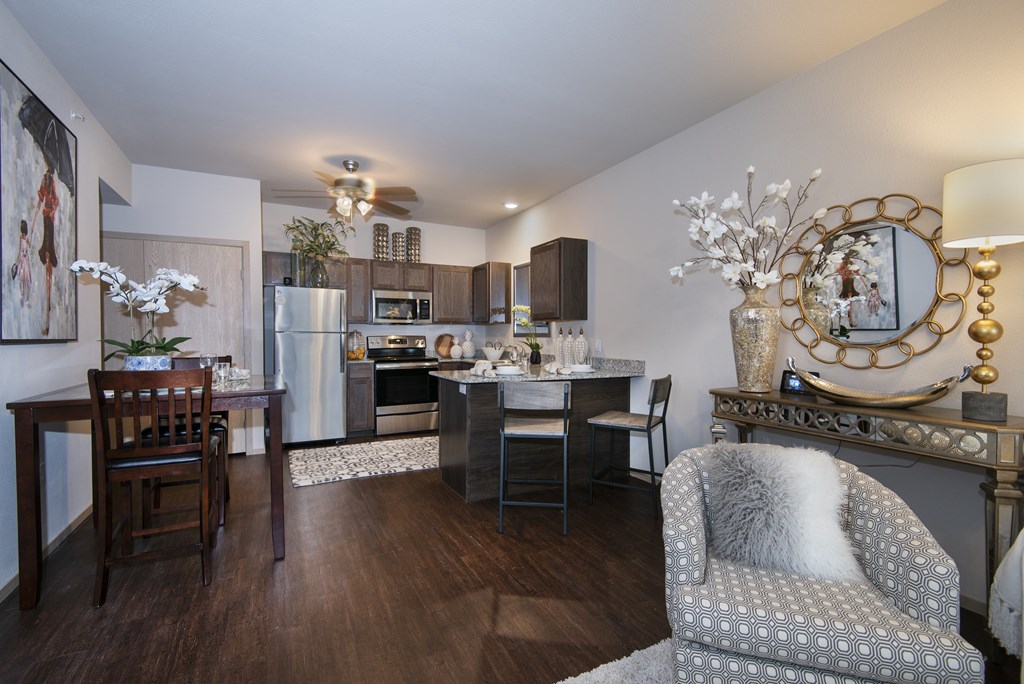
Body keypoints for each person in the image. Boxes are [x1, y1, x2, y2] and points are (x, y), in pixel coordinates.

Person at [32, 159, 59, 336]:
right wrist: (35, 222)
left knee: (48, 261)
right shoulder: (46, 181)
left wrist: (47, 212)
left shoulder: (50, 183)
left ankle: (47, 317)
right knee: (47, 260)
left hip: (48, 223)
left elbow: (52, 202)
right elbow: (46, 201)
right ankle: (47, 317)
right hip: (46, 222)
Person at [10, 219, 33, 305]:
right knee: (22, 278)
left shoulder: (25, 238)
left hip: (24, 259)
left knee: (26, 278)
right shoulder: (22, 238)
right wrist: (17, 261)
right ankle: (23, 296)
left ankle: (26, 297)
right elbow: (20, 249)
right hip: (23, 259)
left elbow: (28, 247)